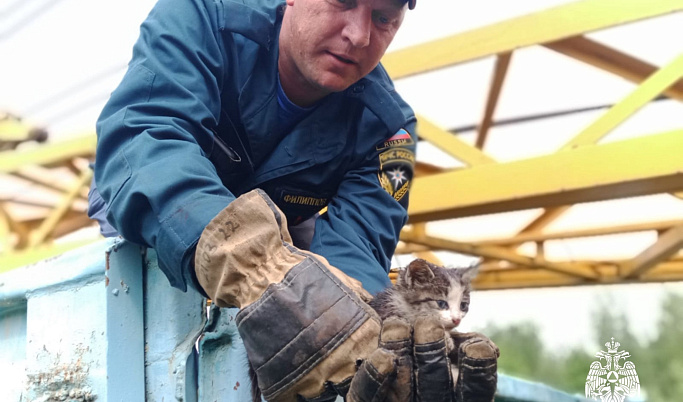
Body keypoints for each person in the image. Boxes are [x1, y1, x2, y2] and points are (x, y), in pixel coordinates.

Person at [89, 0, 498, 400]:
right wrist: (259, 268)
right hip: (154, 215)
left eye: (383, 17)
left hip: (282, 230)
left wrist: (365, 335)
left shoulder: (392, 130)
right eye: (343, 1)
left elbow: (358, 246)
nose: (358, 35)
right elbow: (144, 135)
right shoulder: (200, 13)